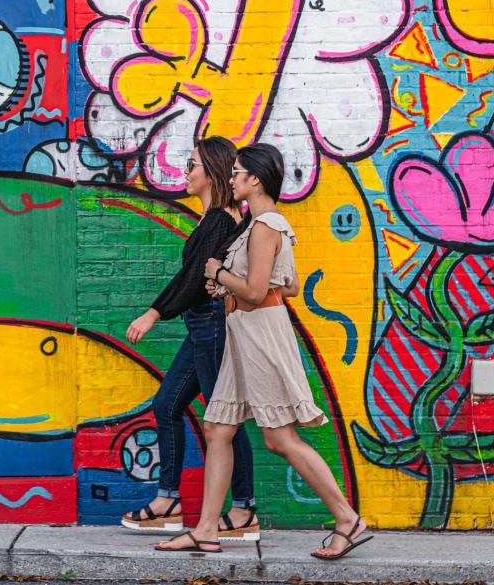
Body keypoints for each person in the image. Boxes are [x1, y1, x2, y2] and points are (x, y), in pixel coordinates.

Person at [156, 143, 372, 561]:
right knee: (218, 428)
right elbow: (285, 284)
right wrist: (227, 286)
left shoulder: (265, 226)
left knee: (279, 439)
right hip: (243, 331)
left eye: (237, 173)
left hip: (258, 334)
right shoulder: (260, 225)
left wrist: (218, 273)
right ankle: (205, 530)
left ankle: (347, 519)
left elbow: (256, 293)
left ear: (254, 179)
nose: (231, 179)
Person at [120, 136, 260, 540]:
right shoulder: (216, 217)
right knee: (167, 404)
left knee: (224, 420)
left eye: (192, 163)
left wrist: (154, 311)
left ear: (213, 171)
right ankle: (169, 501)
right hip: (203, 326)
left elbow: (195, 277)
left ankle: (243, 510)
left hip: (213, 324)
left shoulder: (221, 218)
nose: (186, 170)